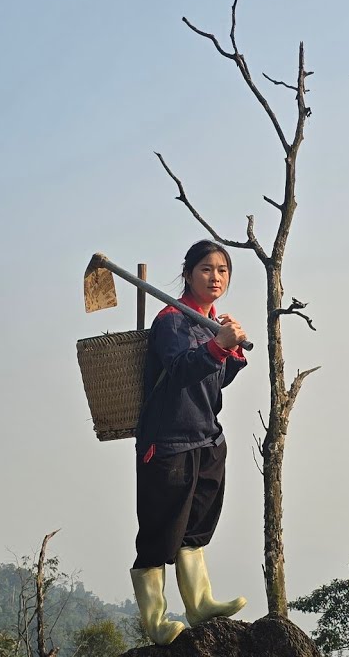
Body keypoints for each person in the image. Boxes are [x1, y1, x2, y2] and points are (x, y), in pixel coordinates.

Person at [129, 239, 249, 645]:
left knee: (197, 527)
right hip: (167, 442)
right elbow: (180, 370)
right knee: (160, 531)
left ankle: (199, 603)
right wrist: (219, 346)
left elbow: (212, 379)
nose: (215, 277)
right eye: (206, 269)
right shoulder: (171, 321)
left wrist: (227, 353)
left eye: (222, 270)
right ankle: (157, 621)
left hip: (207, 436)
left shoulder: (209, 321)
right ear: (188, 274)